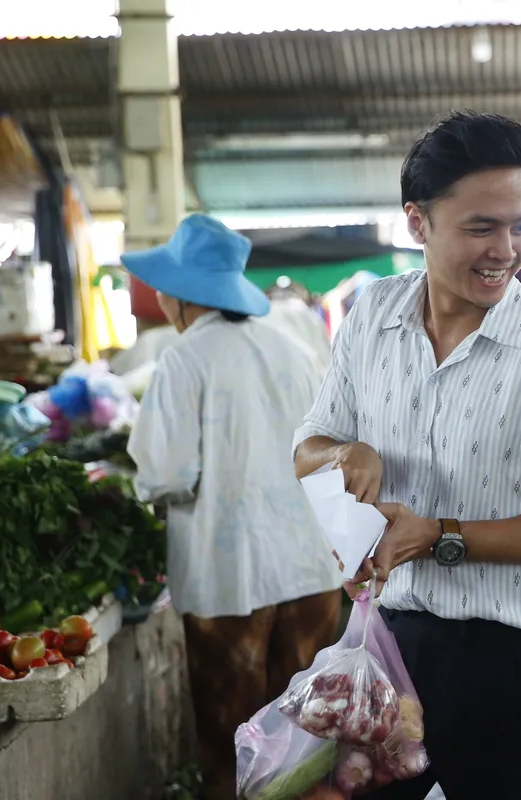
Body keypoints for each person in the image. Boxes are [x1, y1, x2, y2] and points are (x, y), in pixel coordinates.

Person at [292, 111, 521, 800]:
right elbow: (309, 447)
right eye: (482, 227)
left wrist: (443, 538)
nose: (506, 250)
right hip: (387, 643)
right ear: (418, 222)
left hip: (510, 664)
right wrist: (346, 454)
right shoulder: (372, 321)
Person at [123, 214, 342, 800]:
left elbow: (165, 475)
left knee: (234, 744)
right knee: (306, 746)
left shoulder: (183, 358)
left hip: (230, 584)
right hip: (311, 571)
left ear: (179, 294)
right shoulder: (292, 345)